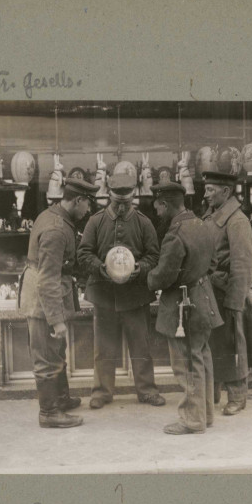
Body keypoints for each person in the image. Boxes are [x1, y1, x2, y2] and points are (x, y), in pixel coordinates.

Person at [77, 169, 166, 410]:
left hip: (135, 296)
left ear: (134, 195)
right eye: (117, 200)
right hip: (104, 295)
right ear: (109, 194)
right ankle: (102, 392)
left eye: (127, 200)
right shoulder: (95, 221)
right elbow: (84, 253)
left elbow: (154, 256)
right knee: (103, 348)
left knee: (141, 347)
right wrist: (99, 267)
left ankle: (147, 390)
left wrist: (140, 268)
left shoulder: (144, 223)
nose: (122, 205)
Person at [19, 175, 99, 428]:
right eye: (88, 205)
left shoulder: (54, 215)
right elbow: (48, 279)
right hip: (44, 301)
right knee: (46, 358)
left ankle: (61, 399)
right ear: (78, 201)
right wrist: (56, 320)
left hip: (47, 296)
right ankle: (49, 413)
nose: (88, 211)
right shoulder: (56, 230)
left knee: (56, 352)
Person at [145, 179, 223, 435]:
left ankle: (191, 419)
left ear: (166, 205)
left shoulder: (175, 235)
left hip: (183, 307)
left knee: (186, 363)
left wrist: (147, 276)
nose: (156, 212)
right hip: (204, 300)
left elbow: (163, 276)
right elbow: (213, 263)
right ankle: (206, 415)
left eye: (157, 208)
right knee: (201, 357)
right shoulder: (203, 225)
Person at [200, 172, 252, 415]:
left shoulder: (237, 221)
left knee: (234, 345)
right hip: (211, 292)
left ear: (226, 192)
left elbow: (243, 265)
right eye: (206, 189)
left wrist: (235, 301)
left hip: (227, 292)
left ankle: (238, 397)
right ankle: (215, 393)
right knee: (215, 345)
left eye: (210, 189)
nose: (206, 194)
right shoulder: (213, 216)